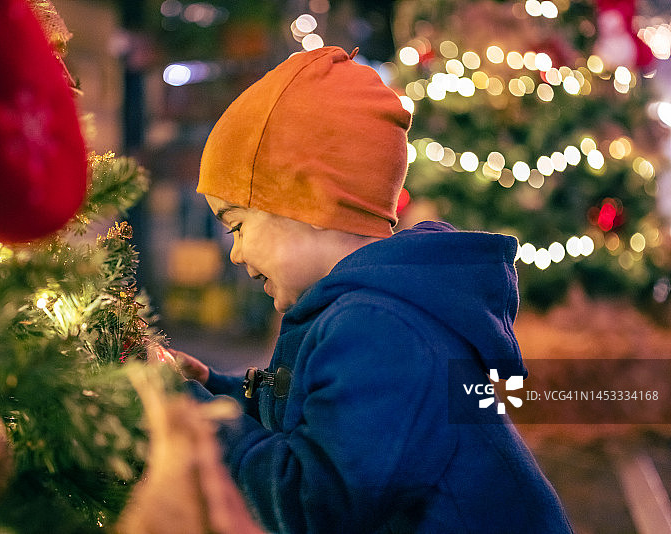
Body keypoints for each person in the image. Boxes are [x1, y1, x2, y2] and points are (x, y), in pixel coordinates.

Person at [172, 46, 573, 533]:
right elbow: (314, 416)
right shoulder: (370, 309)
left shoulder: (380, 327)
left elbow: (312, 505)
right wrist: (213, 390)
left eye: (237, 226)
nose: (235, 254)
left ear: (309, 199)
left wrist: (193, 421)